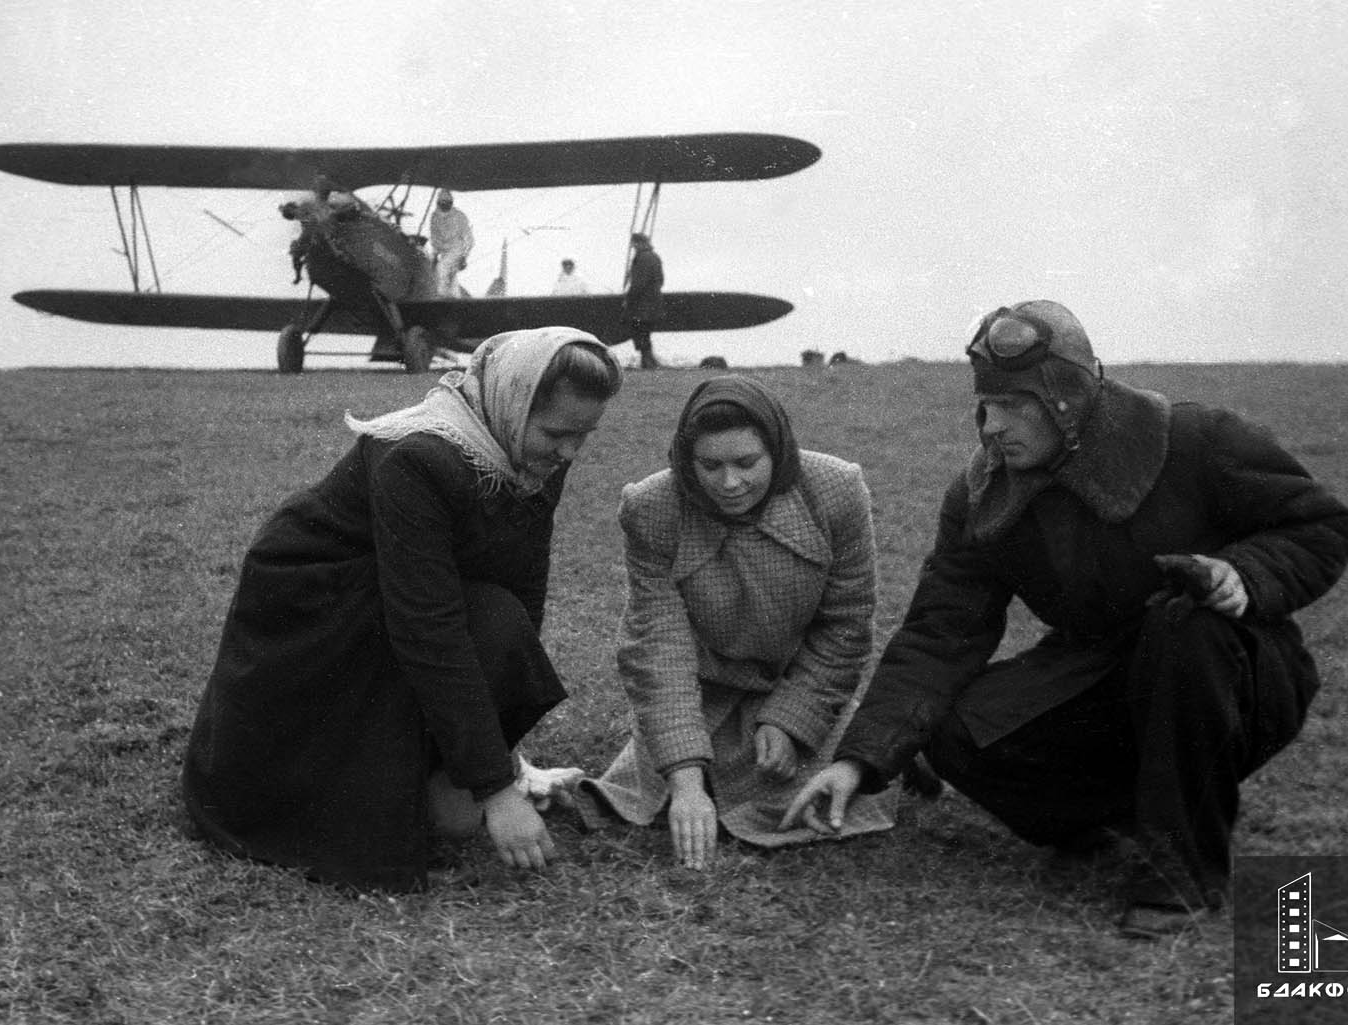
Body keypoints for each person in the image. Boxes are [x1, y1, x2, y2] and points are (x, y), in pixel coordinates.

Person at [782, 300, 1348, 938]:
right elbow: (941, 634)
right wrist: (859, 761)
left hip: (1236, 670)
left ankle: (1181, 874)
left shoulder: (1199, 439)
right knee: (955, 735)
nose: (992, 426)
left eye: (1015, 405)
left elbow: (1319, 523)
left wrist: (1244, 575)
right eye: (987, 405)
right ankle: (1121, 817)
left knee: (1185, 625)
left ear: (1067, 397)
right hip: (1097, 670)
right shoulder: (980, 493)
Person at [181, 327, 623, 893]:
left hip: (402, 597)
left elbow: (519, 594)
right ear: (513, 403)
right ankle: (362, 784)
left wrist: (499, 755)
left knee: (499, 618)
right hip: (312, 607)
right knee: (465, 641)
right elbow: (428, 629)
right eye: (558, 432)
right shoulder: (415, 455)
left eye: (585, 435)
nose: (569, 452)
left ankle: (436, 770)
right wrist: (494, 790)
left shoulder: (530, 453)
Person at [580, 376, 897, 869]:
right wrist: (684, 778)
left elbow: (846, 627)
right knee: (675, 780)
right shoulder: (652, 507)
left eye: (747, 463)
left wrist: (793, 721)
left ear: (777, 450)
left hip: (798, 684)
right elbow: (658, 647)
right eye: (709, 465)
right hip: (705, 695)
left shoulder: (836, 490)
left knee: (842, 784)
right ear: (687, 460)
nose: (729, 484)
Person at [622, 233, 665, 369]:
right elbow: (661, 280)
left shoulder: (642, 258)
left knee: (640, 331)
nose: (633, 246)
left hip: (641, 304)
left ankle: (647, 362)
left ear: (637, 243)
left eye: (634, 243)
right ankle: (648, 361)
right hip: (653, 302)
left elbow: (638, 284)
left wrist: (628, 299)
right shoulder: (654, 257)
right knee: (645, 332)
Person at [429, 188, 475, 297]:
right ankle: (453, 296)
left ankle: (442, 296)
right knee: (450, 275)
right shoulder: (435, 217)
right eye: (442, 203)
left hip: (457, 249)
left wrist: (464, 256)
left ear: (451, 203)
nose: (445, 205)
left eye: (447, 203)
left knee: (442, 268)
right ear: (438, 203)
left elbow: (469, 238)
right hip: (444, 251)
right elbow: (434, 237)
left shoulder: (459, 216)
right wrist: (435, 254)